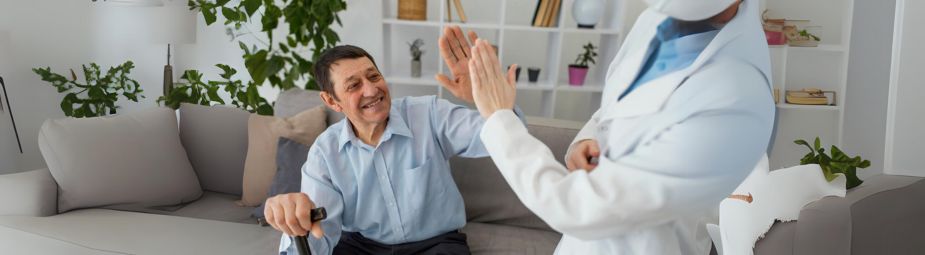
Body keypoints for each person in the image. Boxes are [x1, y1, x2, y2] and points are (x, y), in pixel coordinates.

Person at [464, 0, 775, 254]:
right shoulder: (655, 21)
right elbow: (619, 101)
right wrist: (585, 140)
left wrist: (500, 118)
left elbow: (578, 208)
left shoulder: (735, 98)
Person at [263, 33, 524, 254]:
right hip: (360, 247)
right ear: (332, 101)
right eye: (354, 85)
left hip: (436, 245)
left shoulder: (429, 114)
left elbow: (503, 139)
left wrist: (490, 101)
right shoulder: (325, 154)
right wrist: (296, 225)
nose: (371, 90)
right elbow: (320, 237)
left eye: (373, 77)